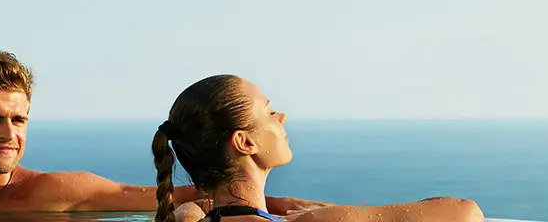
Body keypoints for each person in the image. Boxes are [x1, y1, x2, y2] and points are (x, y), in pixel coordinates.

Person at [0, 47, 328, 218]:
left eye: (18, 119)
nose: (9, 134)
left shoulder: (52, 192)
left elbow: (151, 195)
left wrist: (274, 205)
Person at [152, 74, 485, 222]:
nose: (281, 117)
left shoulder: (193, 218)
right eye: (269, 112)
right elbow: (466, 213)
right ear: (245, 142)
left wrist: (192, 210)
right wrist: (341, 215)